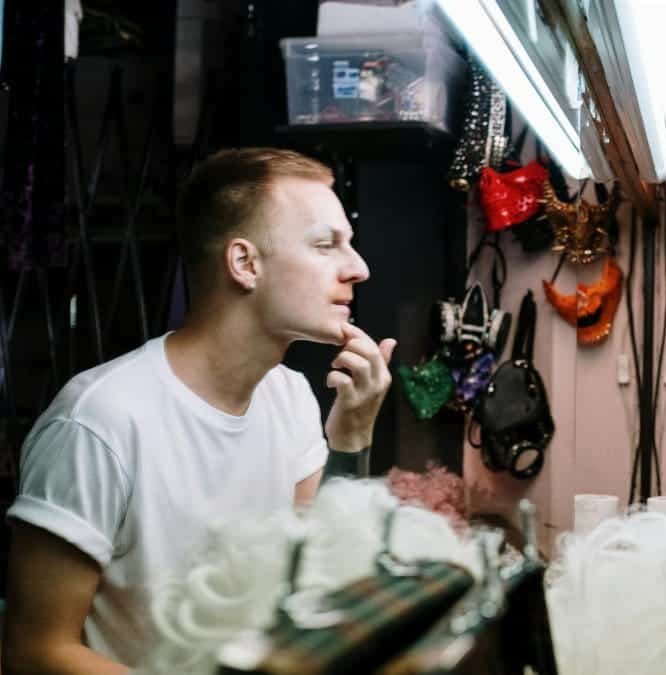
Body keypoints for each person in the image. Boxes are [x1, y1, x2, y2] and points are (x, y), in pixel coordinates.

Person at [2, 148, 396, 674]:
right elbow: (33, 653)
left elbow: (319, 582)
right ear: (244, 263)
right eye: (326, 245)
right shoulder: (99, 420)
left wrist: (351, 439)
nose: (359, 268)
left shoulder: (289, 396)